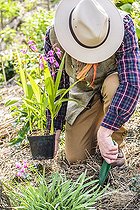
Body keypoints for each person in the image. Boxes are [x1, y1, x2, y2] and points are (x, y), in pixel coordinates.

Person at [44, 0, 140, 166]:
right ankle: (98, 123)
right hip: (84, 93)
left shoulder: (123, 26)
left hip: (113, 88)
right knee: (76, 158)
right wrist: (53, 130)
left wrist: (105, 132)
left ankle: (113, 142)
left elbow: (132, 83)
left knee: (114, 84)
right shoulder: (55, 36)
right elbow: (57, 86)